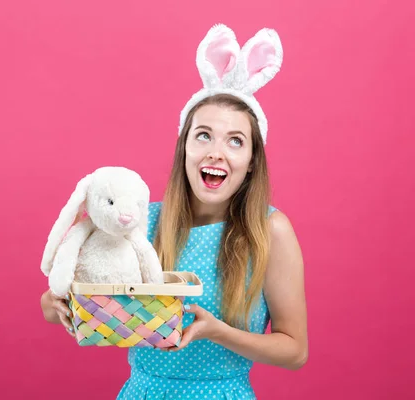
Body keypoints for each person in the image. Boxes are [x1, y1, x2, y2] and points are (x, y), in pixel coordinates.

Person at [40, 23, 308, 399]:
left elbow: (295, 350)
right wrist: (55, 303)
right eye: (203, 135)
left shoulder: (271, 230)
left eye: (235, 141)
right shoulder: (138, 222)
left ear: (250, 161)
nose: (216, 151)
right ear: (184, 147)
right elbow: (63, 305)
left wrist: (218, 331)